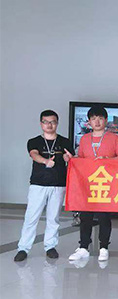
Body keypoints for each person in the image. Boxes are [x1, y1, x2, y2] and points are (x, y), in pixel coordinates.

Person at [14, 110, 74, 262]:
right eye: (46, 122)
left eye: (52, 122)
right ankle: (23, 248)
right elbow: (33, 154)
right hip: (38, 184)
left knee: (53, 218)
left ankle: (50, 246)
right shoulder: (34, 141)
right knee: (31, 217)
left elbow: (70, 157)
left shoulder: (65, 141)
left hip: (58, 184)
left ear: (57, 123)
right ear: (41, 124)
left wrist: (68, 158)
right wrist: (46, 161)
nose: (49, 125)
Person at [68, 105, 118, 263]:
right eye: (93, 119)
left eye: (100, 118)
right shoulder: (84, 139)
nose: (97, 122)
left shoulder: (113, 138)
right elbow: (80, 160)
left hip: (106, 183)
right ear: (89, 122)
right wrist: (71, 160)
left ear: (106, 120)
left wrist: (108, 160)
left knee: (103, 216)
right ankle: (83, 247)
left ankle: (104, 247)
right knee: (85, 216)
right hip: (87, 183)